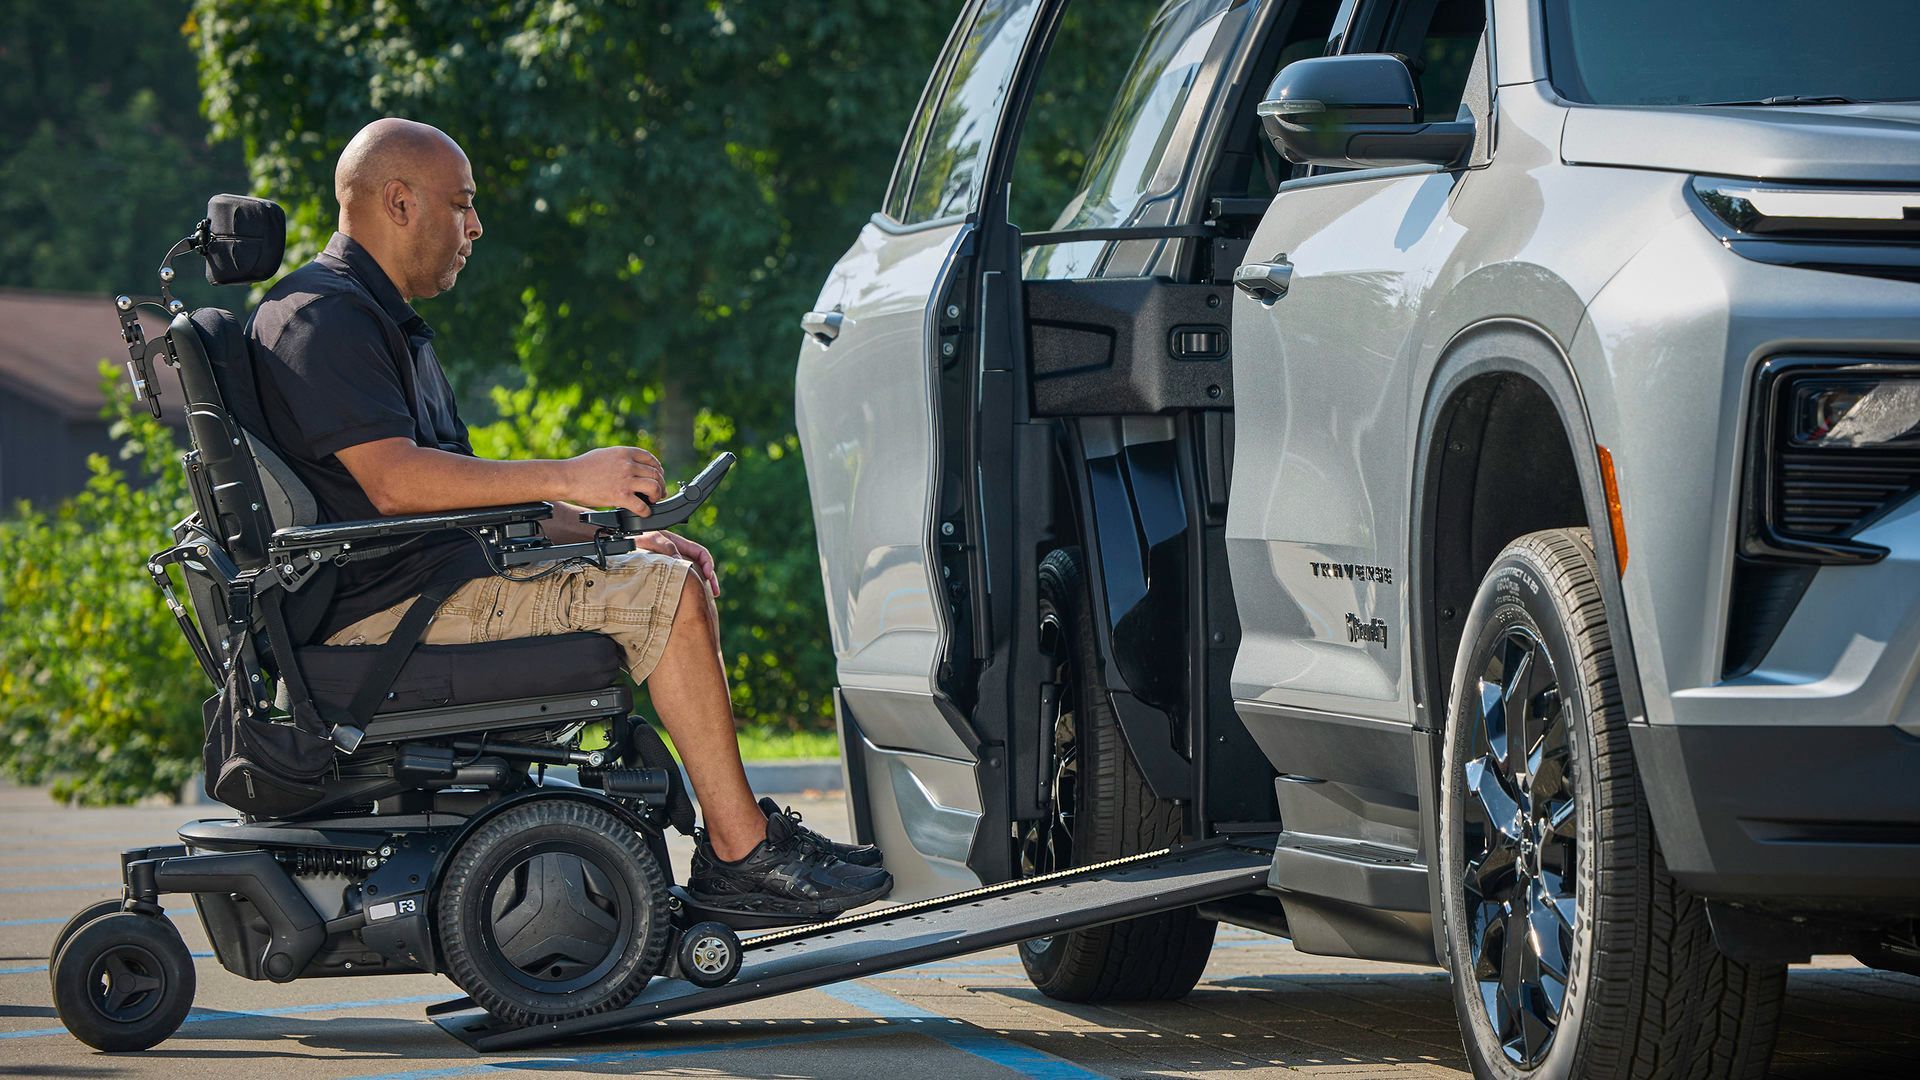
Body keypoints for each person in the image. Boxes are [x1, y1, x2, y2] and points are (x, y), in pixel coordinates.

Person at [246, 117, 889, 917]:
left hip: (427, 586)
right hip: (388, 618)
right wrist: (571, 472)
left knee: (666, 571)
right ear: (400, 202)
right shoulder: (321, 318)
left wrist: (605, 532)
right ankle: (740, 853)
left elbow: (466, 500)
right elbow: (395, 485)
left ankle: (740, 841)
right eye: (462, 204)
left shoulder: (377, 320)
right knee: (666, 596)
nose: (475, 225)